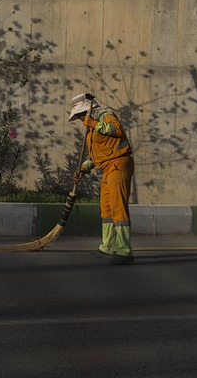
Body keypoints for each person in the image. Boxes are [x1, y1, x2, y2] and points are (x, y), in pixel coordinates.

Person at [69, 92, 135, 265]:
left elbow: (117, 130)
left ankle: (124, 251)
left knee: (118, 206)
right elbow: (96, 156)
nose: (79, 119)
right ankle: (108, 246)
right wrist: (83, 168)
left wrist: (96, 124)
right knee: (106, 208)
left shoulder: (105, 115)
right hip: (107, 168)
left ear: (86, 111)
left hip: (119, 164)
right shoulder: (91, 129)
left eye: (80, 115)